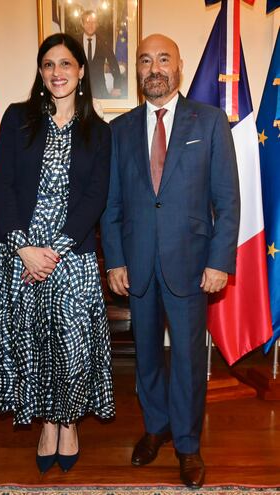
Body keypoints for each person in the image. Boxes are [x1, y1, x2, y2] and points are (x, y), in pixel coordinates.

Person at [101, 34, 240, 488]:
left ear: (178, 67)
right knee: (146, 358)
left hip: (191, 264)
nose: (153, 68)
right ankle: (156, 427)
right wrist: (116, 259)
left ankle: (187, 443)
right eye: (145, 60)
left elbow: (228, 199)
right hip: (136, 266)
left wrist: (220, 260)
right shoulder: (118, 130)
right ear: (137, 70)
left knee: (184, 358)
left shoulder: (212, 121)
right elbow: (112, 204)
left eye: (163, 59)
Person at [0, 33, 115, 474]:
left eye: (65, 64)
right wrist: (25, 248)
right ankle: (45, 424)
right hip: (20, 255)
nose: (56, 72)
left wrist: (53, 252)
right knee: (31, 345)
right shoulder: (18, 118)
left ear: (80, 71)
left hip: (70, 256)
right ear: (40, 73)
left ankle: (67, 422)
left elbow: (95, 196)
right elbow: (4, 187)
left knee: (71, 347)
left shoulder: (99, 130)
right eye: (48, 65)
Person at [79, 10, 122, 99]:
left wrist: (117, 86)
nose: (91, 25)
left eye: (93, 22)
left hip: (100, 90)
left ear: (97, 24)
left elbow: (113, 63)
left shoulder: (103, 42)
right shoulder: (75, 42)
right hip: (79, 89)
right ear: (82, 24)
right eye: (87, 22)